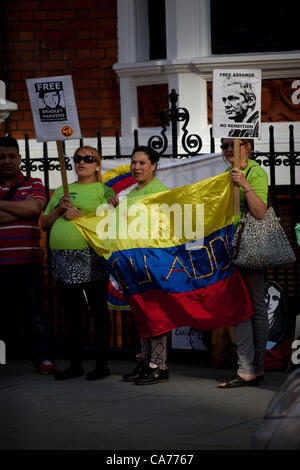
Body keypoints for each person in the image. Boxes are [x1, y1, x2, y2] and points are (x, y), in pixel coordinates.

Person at [41, 145, 114, 380]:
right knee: (71, 312)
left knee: (98, 310)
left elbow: (107, 222)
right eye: (78, 158)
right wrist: (59, 211)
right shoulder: (62, 190)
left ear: (97, 164)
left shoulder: (104, 190)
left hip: (90, 255)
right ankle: (75, 364)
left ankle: (102, 364)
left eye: (88, 158)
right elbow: (44, 222)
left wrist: (80, 216)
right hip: (62, 257)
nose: (82, 162)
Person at [109, 145, 169, 385]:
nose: (136, 167)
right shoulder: (133, 192)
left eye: (142, 162)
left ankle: (159, 365)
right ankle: (145, 361)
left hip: (153, 261)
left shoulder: (159, 191)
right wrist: (117, 208)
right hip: (134, 262)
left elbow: (163, 226)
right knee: (142, 314)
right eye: (134, 162)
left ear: (153, 165)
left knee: (156, 314)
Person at [0, 135, 56, 374]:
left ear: (20, 158)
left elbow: (36, 208)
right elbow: (28, 209)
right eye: (2, 157)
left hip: (29, 261)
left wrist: (13, 207)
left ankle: (42, 359)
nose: (7, 161)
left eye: (12, 156)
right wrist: (23, 209)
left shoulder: (34, 182)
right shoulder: (27, 191)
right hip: (1, 263)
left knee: (35, 314)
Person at [218, 138, 269, 388]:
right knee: (242, 307)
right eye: (224, 145)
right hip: (230, 247)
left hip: (249, 246)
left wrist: (245, 183)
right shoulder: (227, 173)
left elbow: (260, 212)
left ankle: (253, 367)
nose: (229, 149)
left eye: (234, 145)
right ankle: (250, 367)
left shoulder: (255, 171)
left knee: (252, 307)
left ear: (246, 147)